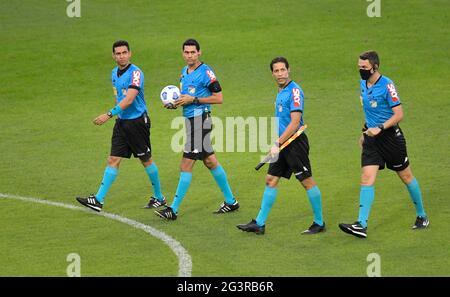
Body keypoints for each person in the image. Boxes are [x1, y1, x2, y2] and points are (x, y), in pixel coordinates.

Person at [339, 51, 429, 238]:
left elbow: (399, 114)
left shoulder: (387, 85)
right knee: (366, 177)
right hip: (371, 138)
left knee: (406, 176)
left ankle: (422, 215)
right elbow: (369, 112)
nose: (361, 70)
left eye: (364, 67)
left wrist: (380, 128)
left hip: (391, 138)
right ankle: (361, 224)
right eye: (359, 67)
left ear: (375, 66)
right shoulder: (362, 84)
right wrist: (364, 131)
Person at [237, 57, 325, 235]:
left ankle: (319, 222)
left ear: (289, 70)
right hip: (283, 143)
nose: (280, 74)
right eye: (276, 71)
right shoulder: (281, 91)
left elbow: (294, 123)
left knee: (306, 181)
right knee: (271, 179)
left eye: (282, 70)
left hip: (295, 143)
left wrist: (277, 143)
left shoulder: (294, 91)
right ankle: (259, 223)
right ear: (272, 73)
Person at [155, 39, 239, 220]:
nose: (189, 55)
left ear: (199, 52)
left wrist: (193, 100)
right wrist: (175, 103)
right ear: (182, 53)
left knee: (186, 164)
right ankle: (231, 201)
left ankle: (173, 209)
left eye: (193, 52)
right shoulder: (184, 72)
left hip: (201, 122)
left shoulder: (206, 73)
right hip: (191, 122)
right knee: (210, 161)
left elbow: (219, 98)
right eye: (186, 52)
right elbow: (185, 98)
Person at [76, 40, 165, 212]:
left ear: (130, 53)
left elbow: (130, 99)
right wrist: (116, 116)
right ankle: (98, 199)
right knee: (113, 159)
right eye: (118, 53)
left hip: (137, 123)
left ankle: (159, 197)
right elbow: (119, 98)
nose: (121, 56)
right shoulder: (113, 73)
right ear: (113, 56)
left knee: (146, 160)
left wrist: (108, 114)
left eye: (124, 52)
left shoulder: (136, 73)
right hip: (122, 123)